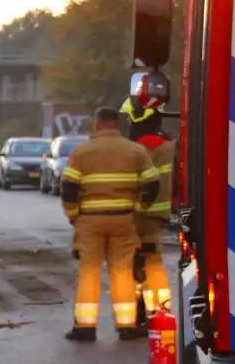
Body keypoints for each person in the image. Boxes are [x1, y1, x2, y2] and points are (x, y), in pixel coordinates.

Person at [60, 107, 160, 342]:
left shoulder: (82, 152)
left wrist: (74, 215)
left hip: (90, 221)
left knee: (89, 271)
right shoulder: (135, 151)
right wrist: (139, 209)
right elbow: (153, 185)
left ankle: (85, 327)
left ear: (97, 124)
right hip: (123, 219)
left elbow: (68, 187)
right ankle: (127, 326)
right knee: (122, 271)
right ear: (117, 125)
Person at [120, 98, 175, 323]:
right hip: (158, 217)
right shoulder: (171, 145)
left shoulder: (132, 149)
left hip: (134, 215)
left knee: (130, 266)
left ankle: (134, 314)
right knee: (154, 264)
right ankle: (159, 313)